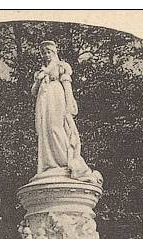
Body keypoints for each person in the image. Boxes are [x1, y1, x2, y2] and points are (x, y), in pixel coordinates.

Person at [31, 41, 102, 185]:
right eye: (44, 53)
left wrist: (70, 104)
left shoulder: (61, 66)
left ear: (54, 52)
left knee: (55, 127)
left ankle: (65, 161)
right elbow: (33, 91)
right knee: (45, 131)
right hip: (43, 100)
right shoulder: (40, 71)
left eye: (48, 52)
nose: (46, 55)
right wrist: (39, 79)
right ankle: (50, 163)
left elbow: (67, 86)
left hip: (56, 96)